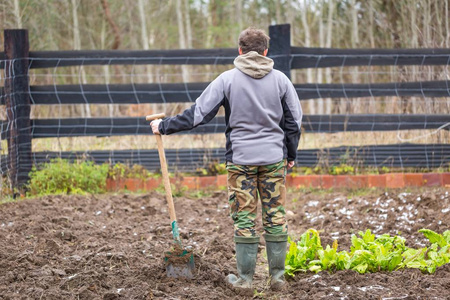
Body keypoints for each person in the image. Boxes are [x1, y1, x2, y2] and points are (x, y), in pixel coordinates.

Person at [150, 27, 302, 291]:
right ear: (266, 51)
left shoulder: (227, 80)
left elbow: (198, 114)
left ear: (240, 51)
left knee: (244, 218)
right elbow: (294, 121)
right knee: (275, 215)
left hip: (241, 161)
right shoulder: (281, 81)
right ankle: (277, 278)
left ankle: (244, 280)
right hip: (273, 159)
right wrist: (290, 153)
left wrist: (164, 126)